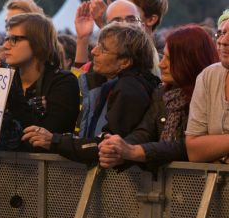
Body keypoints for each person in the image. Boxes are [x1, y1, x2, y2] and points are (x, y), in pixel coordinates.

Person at [22, 22, 159, 163]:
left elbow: (105, 145)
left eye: (103, 49)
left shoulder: (129, 89)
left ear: (124, 62)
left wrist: (54, 141)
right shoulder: (108, 83)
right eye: (98, 44)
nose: (94, 51)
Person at [98, 25, 219, 169]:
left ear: (189, 61)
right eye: (164, 56)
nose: (161, 64)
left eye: (170, 59)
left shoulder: (209, 97)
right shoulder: (161, 94)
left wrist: (134, 151)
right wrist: (119, 149)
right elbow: (144, 131)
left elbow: (186, 145)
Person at [3, 13, 80, 136]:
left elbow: (47, 139)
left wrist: (11, 93)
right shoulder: (6, 79)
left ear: (37, 42)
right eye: (6, 38)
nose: (5, 46)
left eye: (14, 39)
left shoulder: (63, 82)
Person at [185, 12, 229, 162]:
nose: (223, 41)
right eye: (221, 33)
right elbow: (194, 151)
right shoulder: (208, 76)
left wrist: (214, 146)